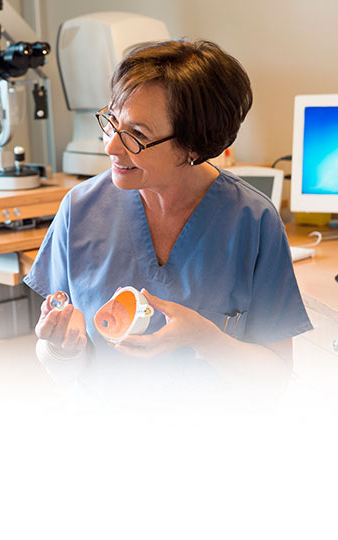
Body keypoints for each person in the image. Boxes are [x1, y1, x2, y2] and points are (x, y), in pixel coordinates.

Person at [24, 39, 311, 397]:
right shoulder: (81, 210)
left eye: (137, 135)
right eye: (112, 121)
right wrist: (59, 349)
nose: (111, 145)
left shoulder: (252, 222)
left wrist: (204, 338)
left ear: (194, 147)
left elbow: (275, 378)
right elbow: (61, 365)